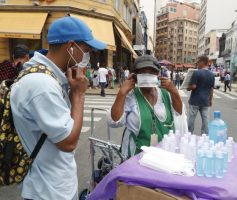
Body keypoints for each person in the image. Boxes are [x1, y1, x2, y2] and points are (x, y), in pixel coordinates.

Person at [10, 16, 106, 200]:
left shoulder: (48, 77)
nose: (87, 56)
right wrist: (79, 95)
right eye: (86, 50)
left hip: (50, 187)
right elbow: (68, 142)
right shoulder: (42, 84)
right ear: (71, 47)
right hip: (47, 192)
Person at [109, 55, 182, 157]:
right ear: (135, 75)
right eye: (143, 72)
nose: (147, 75)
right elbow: (114, 122)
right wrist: (122, 93)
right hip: (136, 155)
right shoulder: (130, 95)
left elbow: (178, 112)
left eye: (151, 72)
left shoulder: (166, 93)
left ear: (157, 74)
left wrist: (174, 91)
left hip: (163, 155)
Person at [187, 56, 214, 135]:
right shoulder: (212, 74)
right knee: (205, 119)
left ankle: (189, 134)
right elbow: (211, 89)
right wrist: (210, 100)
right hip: (205, 101)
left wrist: (188, 88)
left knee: (192, 118)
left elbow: (193, 86)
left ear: (202, 62)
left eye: (198, 62)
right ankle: (204, 135)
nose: (197, 64)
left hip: (195, 100)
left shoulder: (197, 72)